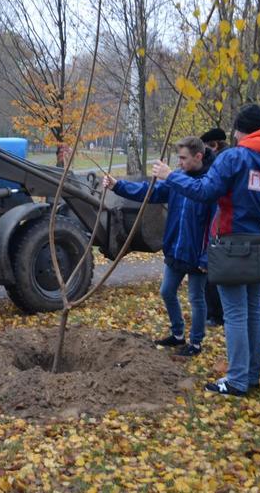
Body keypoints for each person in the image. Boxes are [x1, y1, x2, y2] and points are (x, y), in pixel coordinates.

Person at [153, 103, 260, 396]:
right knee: (254, 310)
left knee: (236, 313)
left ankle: (238, 379)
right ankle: (252, 374)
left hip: (231, 246)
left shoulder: (234, 158)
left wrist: (170, 176)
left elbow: (205, 192)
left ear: (240, 131)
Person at [103, 136, 216, 356]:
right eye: (179, 158)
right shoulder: (178, 179)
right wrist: (118, 186)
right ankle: (177, 334)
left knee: (196, 297)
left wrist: (206, 258)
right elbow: (150, 192)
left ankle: (195, 343)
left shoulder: (209, 184)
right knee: (166, 291)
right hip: (176, 248)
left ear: (198, 156)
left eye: (183, 158)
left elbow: (215, 225)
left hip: (197, 253)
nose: (180, 163)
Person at [200, 127, 230, 327]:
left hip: (219, 226)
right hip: (219, 225)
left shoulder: (221, 163)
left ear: (214, 146)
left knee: (213, 274)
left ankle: (216, 315)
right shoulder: (224, 160)